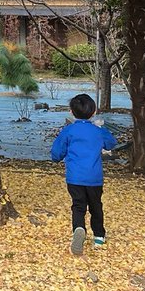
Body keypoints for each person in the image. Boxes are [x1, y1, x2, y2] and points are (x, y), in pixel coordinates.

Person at [50, 93, 117, 256]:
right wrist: (101, 128)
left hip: (74, 178)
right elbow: (111, 143)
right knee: (96, 206)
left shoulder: (68, 131)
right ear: (93, 112)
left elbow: (57, 153)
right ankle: (99, 237)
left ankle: (79, 229)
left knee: (78, 206)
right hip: (94, 178)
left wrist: (57, 158)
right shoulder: (97, 131)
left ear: (71, 112)